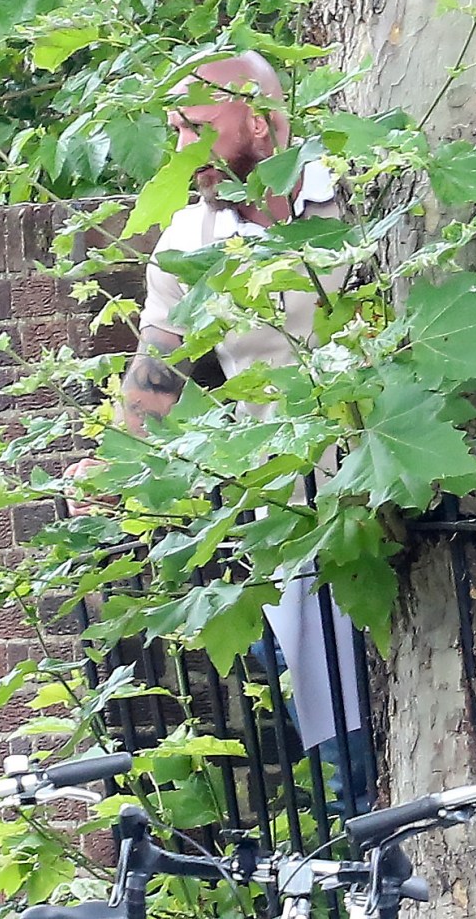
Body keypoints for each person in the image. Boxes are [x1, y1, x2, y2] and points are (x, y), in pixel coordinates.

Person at [66, 51, 368, 813]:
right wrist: (113, 467)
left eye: (193, 129)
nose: (180, 153)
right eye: (171, 131)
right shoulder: (190, 241)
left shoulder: (363, 189)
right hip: (297, 530)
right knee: (346, 772)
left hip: (401, 495)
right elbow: (157, 372)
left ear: (259, 120)